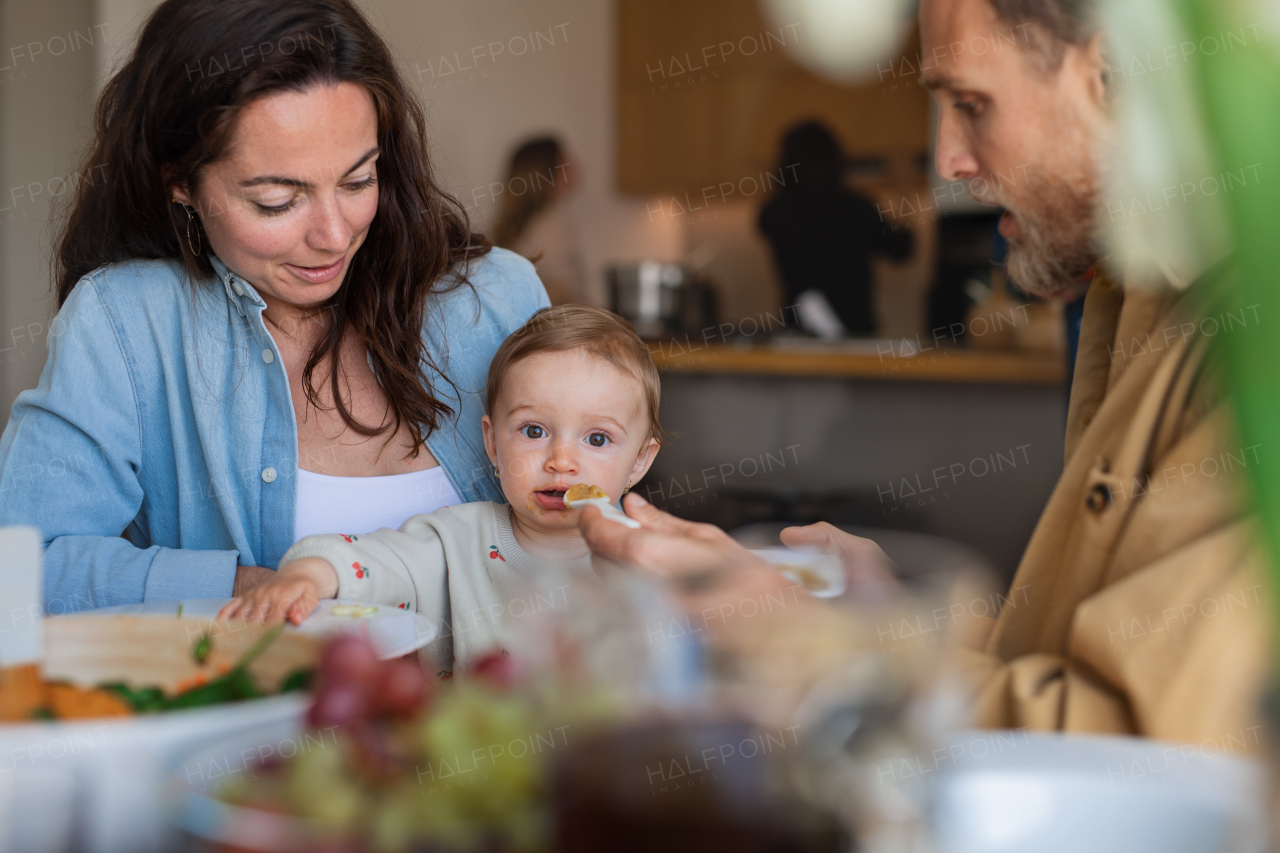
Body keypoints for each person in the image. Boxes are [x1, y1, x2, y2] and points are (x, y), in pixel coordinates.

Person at [581, 0, 1269, 746]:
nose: (947, 160)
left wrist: (809, 639)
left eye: (972, 103)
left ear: (1108, 74)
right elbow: (1074, 662)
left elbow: (1137, 755)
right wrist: (893, 619)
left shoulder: (1247, 337)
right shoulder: (1131, 291)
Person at [0, 0, 548, 613]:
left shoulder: (499, 298)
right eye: (276, 201)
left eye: (358, 180)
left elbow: (591, 506)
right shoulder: (127, 323)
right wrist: (255, 591)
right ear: (179, 181)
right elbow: (24, 563)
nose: (334, 236)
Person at [220, 305, 663, 675]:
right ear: (492, 442)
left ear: (639, 461)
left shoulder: (652, 559)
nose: (561, 460)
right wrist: (309, 576)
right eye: (533, 430)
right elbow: (378, 562)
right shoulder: (455, 540)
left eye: (597, 439)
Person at [758, 120, 913, 337]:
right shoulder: (857, 209)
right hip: (856, 331)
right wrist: (904, 189)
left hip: (799, 332)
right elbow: (902, 250)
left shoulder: (774, 214)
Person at [491, 136, 588, 307]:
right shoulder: (549, 225)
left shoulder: (520, 226)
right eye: (564, 161)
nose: (574, 166)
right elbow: (560, 290)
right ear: (546, 173)